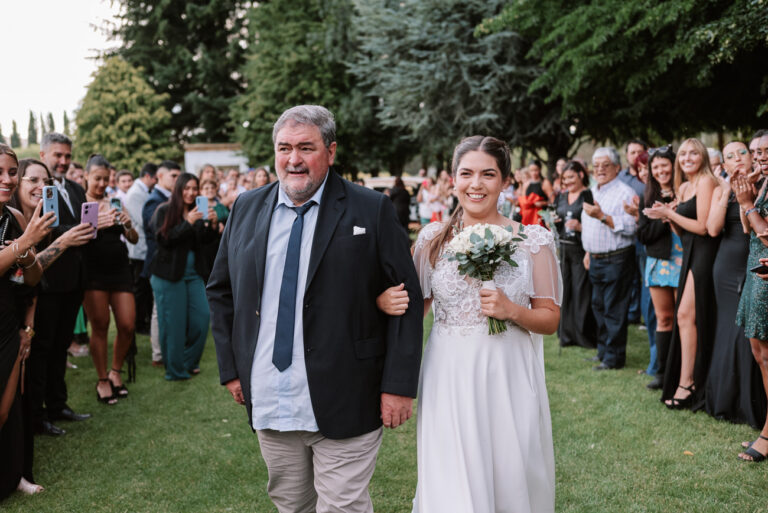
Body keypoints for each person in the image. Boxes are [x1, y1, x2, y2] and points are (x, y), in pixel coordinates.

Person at [207, 105, 423, 513]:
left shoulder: (370, 210)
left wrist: (398, 385)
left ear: (331, 150)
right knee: (291, 505)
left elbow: (405, 299)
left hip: (349, 392)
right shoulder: (246, 208)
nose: (293, 159)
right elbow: (221, 291)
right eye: (284, 148)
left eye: (306, 147)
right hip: (271, 396)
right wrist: (231, 369)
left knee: (342, 506)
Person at [406, 135, 560, 512]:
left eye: (488, 174)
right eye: (466, 174)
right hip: (449, 372)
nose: (476, 184)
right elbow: (412, 312)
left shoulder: (532, 241)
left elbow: (551, 319)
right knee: (453, 476)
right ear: (452, 180)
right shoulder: (431, 240)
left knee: (510, 471)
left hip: (507, 372)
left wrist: (512, 311)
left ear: (506, 181)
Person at [11, 158, 94, 486]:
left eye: (44, 182)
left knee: (50, 349)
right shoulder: (16, 219)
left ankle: (49, 410)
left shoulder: (45, 211)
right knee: (33, 361)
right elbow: (22, 273)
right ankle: (35, 420)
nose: (40, 187)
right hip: (20, 303)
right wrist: (64, 241)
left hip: (36, 298)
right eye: (31, 180)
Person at [645, 138, 718, 410]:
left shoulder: (706, 182)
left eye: (693, 153)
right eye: (683, 154)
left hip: (704, 254)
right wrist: (668, 218)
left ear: (702, 157)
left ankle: (688, 383)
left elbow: (703, 227)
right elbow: (683, 231)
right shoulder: (684, 186)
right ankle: (686, 380)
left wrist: (670, 214)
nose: (687, 157)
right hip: (688, 251)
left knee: (687, 316)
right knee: (683, 317)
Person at [0, 144, 55, 499]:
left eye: (11, 171)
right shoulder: (22, 230)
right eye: (0, 173)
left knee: (7, 412)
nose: (7, 179)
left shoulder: (16, 218)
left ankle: (11, 476)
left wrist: (31, 255)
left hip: (6, 325)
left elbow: (31, 280)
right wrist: (24, 243)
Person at [704, 142, 765, 427]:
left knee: (752, 336)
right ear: (723, 165)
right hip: (726, 265)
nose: (738, 159)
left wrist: (748, 197)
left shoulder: (763, 184)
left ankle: (751, 405)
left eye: (743, 153)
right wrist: (729, 189)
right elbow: (713, 229)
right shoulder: (722, 190)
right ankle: (727, 400)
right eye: (730, 156)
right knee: (730, 330)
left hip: (753, 260)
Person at [34, 132, 91, 434]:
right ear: (43, 155)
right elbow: (46, 231)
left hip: (75, 280)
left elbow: (83, 226)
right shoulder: (36, 191)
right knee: (44, 348)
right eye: (58, 155)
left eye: (68, 156)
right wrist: (76, 232)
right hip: (48, 279)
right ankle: (39, 413)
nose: (64, 162)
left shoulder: (75, 187)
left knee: (61, 347)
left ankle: (58, 404)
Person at [81, 155, 138, 404]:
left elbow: (134, 238)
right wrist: (95, 224)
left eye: (106, 178)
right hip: (93, 270)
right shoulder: (81, 203)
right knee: (101, 325)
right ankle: (102, 378)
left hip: (119, 268)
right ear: (86, 177)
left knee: (127, 324)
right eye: (97, 178)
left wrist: (127, 225)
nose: (102, 183)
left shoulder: (115, 201)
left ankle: (116, 371)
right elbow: (75, 238)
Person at [151, 173, 217, 381]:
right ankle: (175, 370)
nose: (190, 193)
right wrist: (187, 222)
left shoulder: (197, 211)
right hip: (169, 276)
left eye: (194, 188)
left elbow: (203, 243)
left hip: (194, 275)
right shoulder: (164, 210)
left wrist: (212, 225)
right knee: (173, 326)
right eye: (186, 188)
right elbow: (165, 240)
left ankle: (188, 362)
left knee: (202, 318)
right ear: (178, 189)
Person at [581, 147, 638, 370]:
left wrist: (603, 216)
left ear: (617, 168)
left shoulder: (625, 192)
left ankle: (614, 358)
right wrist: (588, 252)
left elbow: (631, 226)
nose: (600, 170)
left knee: (614, 308)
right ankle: (603, 351)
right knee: (598, 306)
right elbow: (588, 225)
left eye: (606, 165)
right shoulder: (593, 191)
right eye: (596, 166)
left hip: (617, 258)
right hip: (595, 258)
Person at [734, 130, 768, 461]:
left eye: (766, 149)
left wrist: (746, 204)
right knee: (759, 353)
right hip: (754, 271)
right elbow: (749, 230)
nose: (760, 155)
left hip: (766, 276)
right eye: (756, 150)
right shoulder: (764, 183)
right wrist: (745, 198)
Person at [637, 146, 681, 390]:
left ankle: (684, 373)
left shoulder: (685, 191)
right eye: (656, 167)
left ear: (673, 166)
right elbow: (643, 235)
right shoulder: (648, 197)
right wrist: (665, 217)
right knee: (664, 318)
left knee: (684, 319)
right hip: (659, 262)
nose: (661, 170)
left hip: (684, 259)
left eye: (665, 165)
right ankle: (663, 373)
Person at [142, 160, 181, 367]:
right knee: (159, 310)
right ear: (160, 176)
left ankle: (169, 349)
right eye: (173, 176)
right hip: (159, 261)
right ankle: (158, 354)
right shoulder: (154, 200)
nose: (177, 180)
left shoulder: (173, 199)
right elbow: (155, 230)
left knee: (168, 309)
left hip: (173, 262)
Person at [554, 161, 596, 348]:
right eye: (565, 178)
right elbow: (558, 219)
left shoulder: (588, 195)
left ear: (581, 175)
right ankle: (566, 334)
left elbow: (595, 223)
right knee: (566, 291)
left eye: (571, 177)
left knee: (581, 292)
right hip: (564, 248)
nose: (568, 181)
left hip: (581, 249)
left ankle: (582, 335)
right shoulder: (562, 196)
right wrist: (554, 221)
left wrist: (581, 227)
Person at [124, 163, 158, 339]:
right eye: (155, 178)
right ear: (148, 177)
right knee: (140, 287)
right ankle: (138, 323)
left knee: (143, 287)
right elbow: (143, 220)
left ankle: (142, 320)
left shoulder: (143, 191)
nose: (156, 182)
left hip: (144, 246)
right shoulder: (136, 193)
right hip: (139, 248)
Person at [517, 159, 552, 225]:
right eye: (531, 171)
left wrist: (543, 203)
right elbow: (523, 202)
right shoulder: (526, 184)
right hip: (528, 218)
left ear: (540, 169)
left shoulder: (545, 183)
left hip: (542, 217)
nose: (533, 173)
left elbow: (553, 201)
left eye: (536, 170)